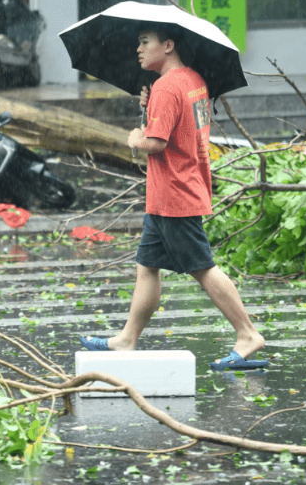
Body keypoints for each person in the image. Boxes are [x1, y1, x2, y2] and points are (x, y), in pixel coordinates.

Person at [79, 25, 267, 370]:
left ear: (168, 45)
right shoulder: (192, 79)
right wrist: (151, 110)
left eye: (144, 42)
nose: (139, 49)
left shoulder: (166, 88)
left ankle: (247, 333)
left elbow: (157, 143)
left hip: (174, 194)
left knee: (203, 267)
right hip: (176, 188)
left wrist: (135, 137)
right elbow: (178, 127)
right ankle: (127, 339)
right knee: (147, 267)